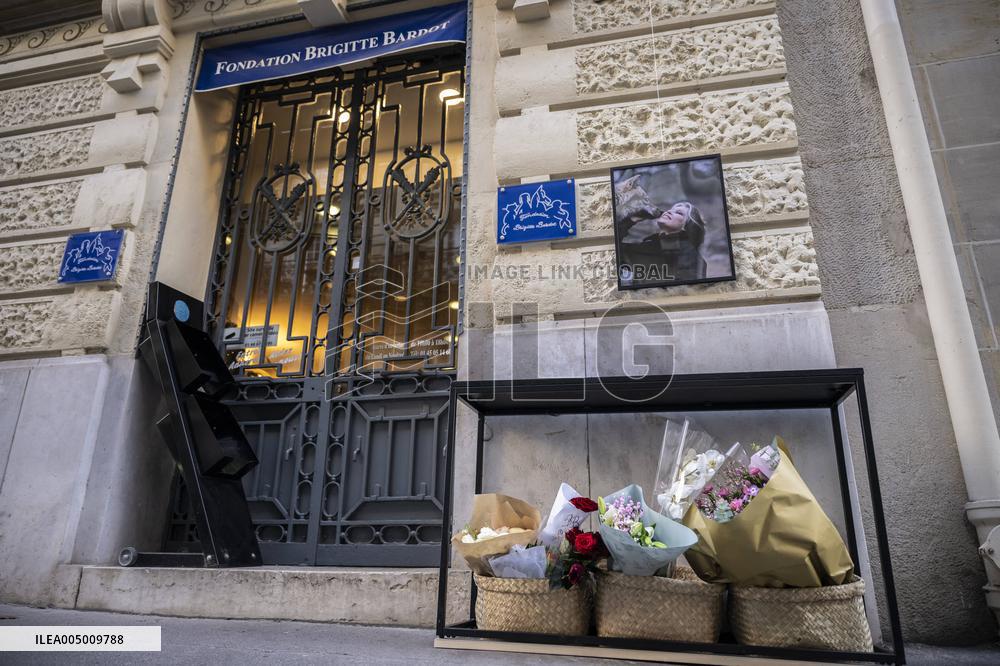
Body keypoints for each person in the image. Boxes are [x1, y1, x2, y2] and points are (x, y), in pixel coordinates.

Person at [618, 200, 707, 285]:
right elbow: (613, 254)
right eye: (670, 210)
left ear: (686, 226)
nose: (669, 212)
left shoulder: (690, 255)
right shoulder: (649, 246)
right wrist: (632, 219)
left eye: (678, 213)